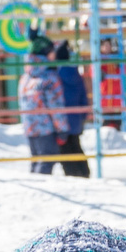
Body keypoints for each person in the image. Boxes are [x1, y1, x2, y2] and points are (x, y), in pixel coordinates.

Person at [18, 37, 63, 176]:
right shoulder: (49, 78)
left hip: (30, 127)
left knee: (37, 160)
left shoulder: (26, 77)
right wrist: (62, 129)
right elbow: (56, 106)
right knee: (47, 160)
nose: (54, 55)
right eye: (51, 52)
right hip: (46, 128)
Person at [51, 41, 91, 177]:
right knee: (76, 146)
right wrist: (83, 117)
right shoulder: (75, 74)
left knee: (65, 150)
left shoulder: (55, 76)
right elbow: (84, 98)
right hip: (76, 119)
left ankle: (72, 175)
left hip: (61, 121)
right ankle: (84, 172)